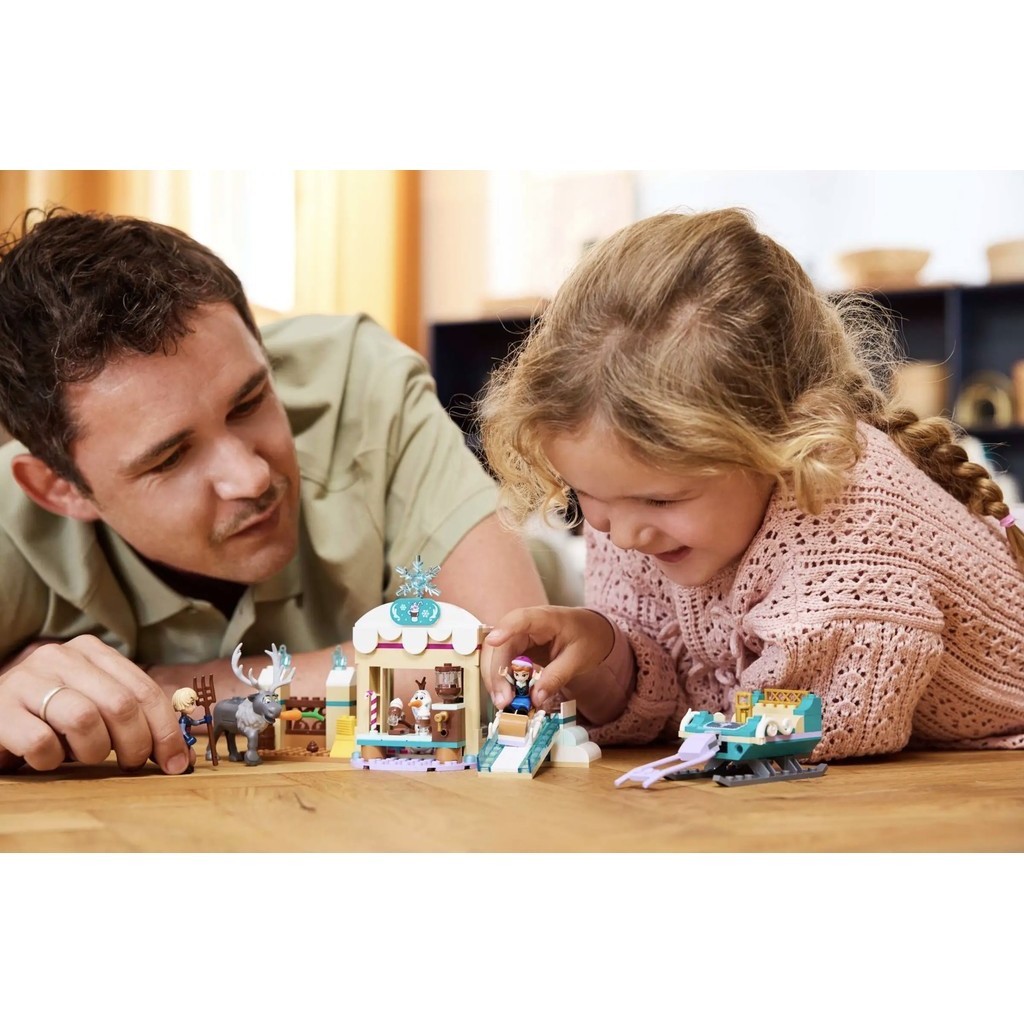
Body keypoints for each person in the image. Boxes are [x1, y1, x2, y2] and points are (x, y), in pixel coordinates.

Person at [0, 208, 546, 776]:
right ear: (60, 489)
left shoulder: (360, 381)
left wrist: (168, 689)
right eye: (170, 457)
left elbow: (512, 665)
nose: (252, 477)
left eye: (249, 402)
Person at [480, 208, 1024, 763]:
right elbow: (671, 688)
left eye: (660, 500)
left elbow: (813, 728)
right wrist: (604, 654)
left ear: (782, 443)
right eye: (587, 494)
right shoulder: (635, 501)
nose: (620, 533)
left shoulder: (850, 528)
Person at [170, 687, 211, 774]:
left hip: (186, 741)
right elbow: (182, 731)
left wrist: (204, 720)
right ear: (182, 705)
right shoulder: (183, 720)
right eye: (191, 704)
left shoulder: (187, 718)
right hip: (183, 740)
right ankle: (183, 765)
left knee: (188, 751)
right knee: (184, 751)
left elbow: (194, 722)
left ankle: (186, 765)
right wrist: (188, 738)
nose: (194, 707)